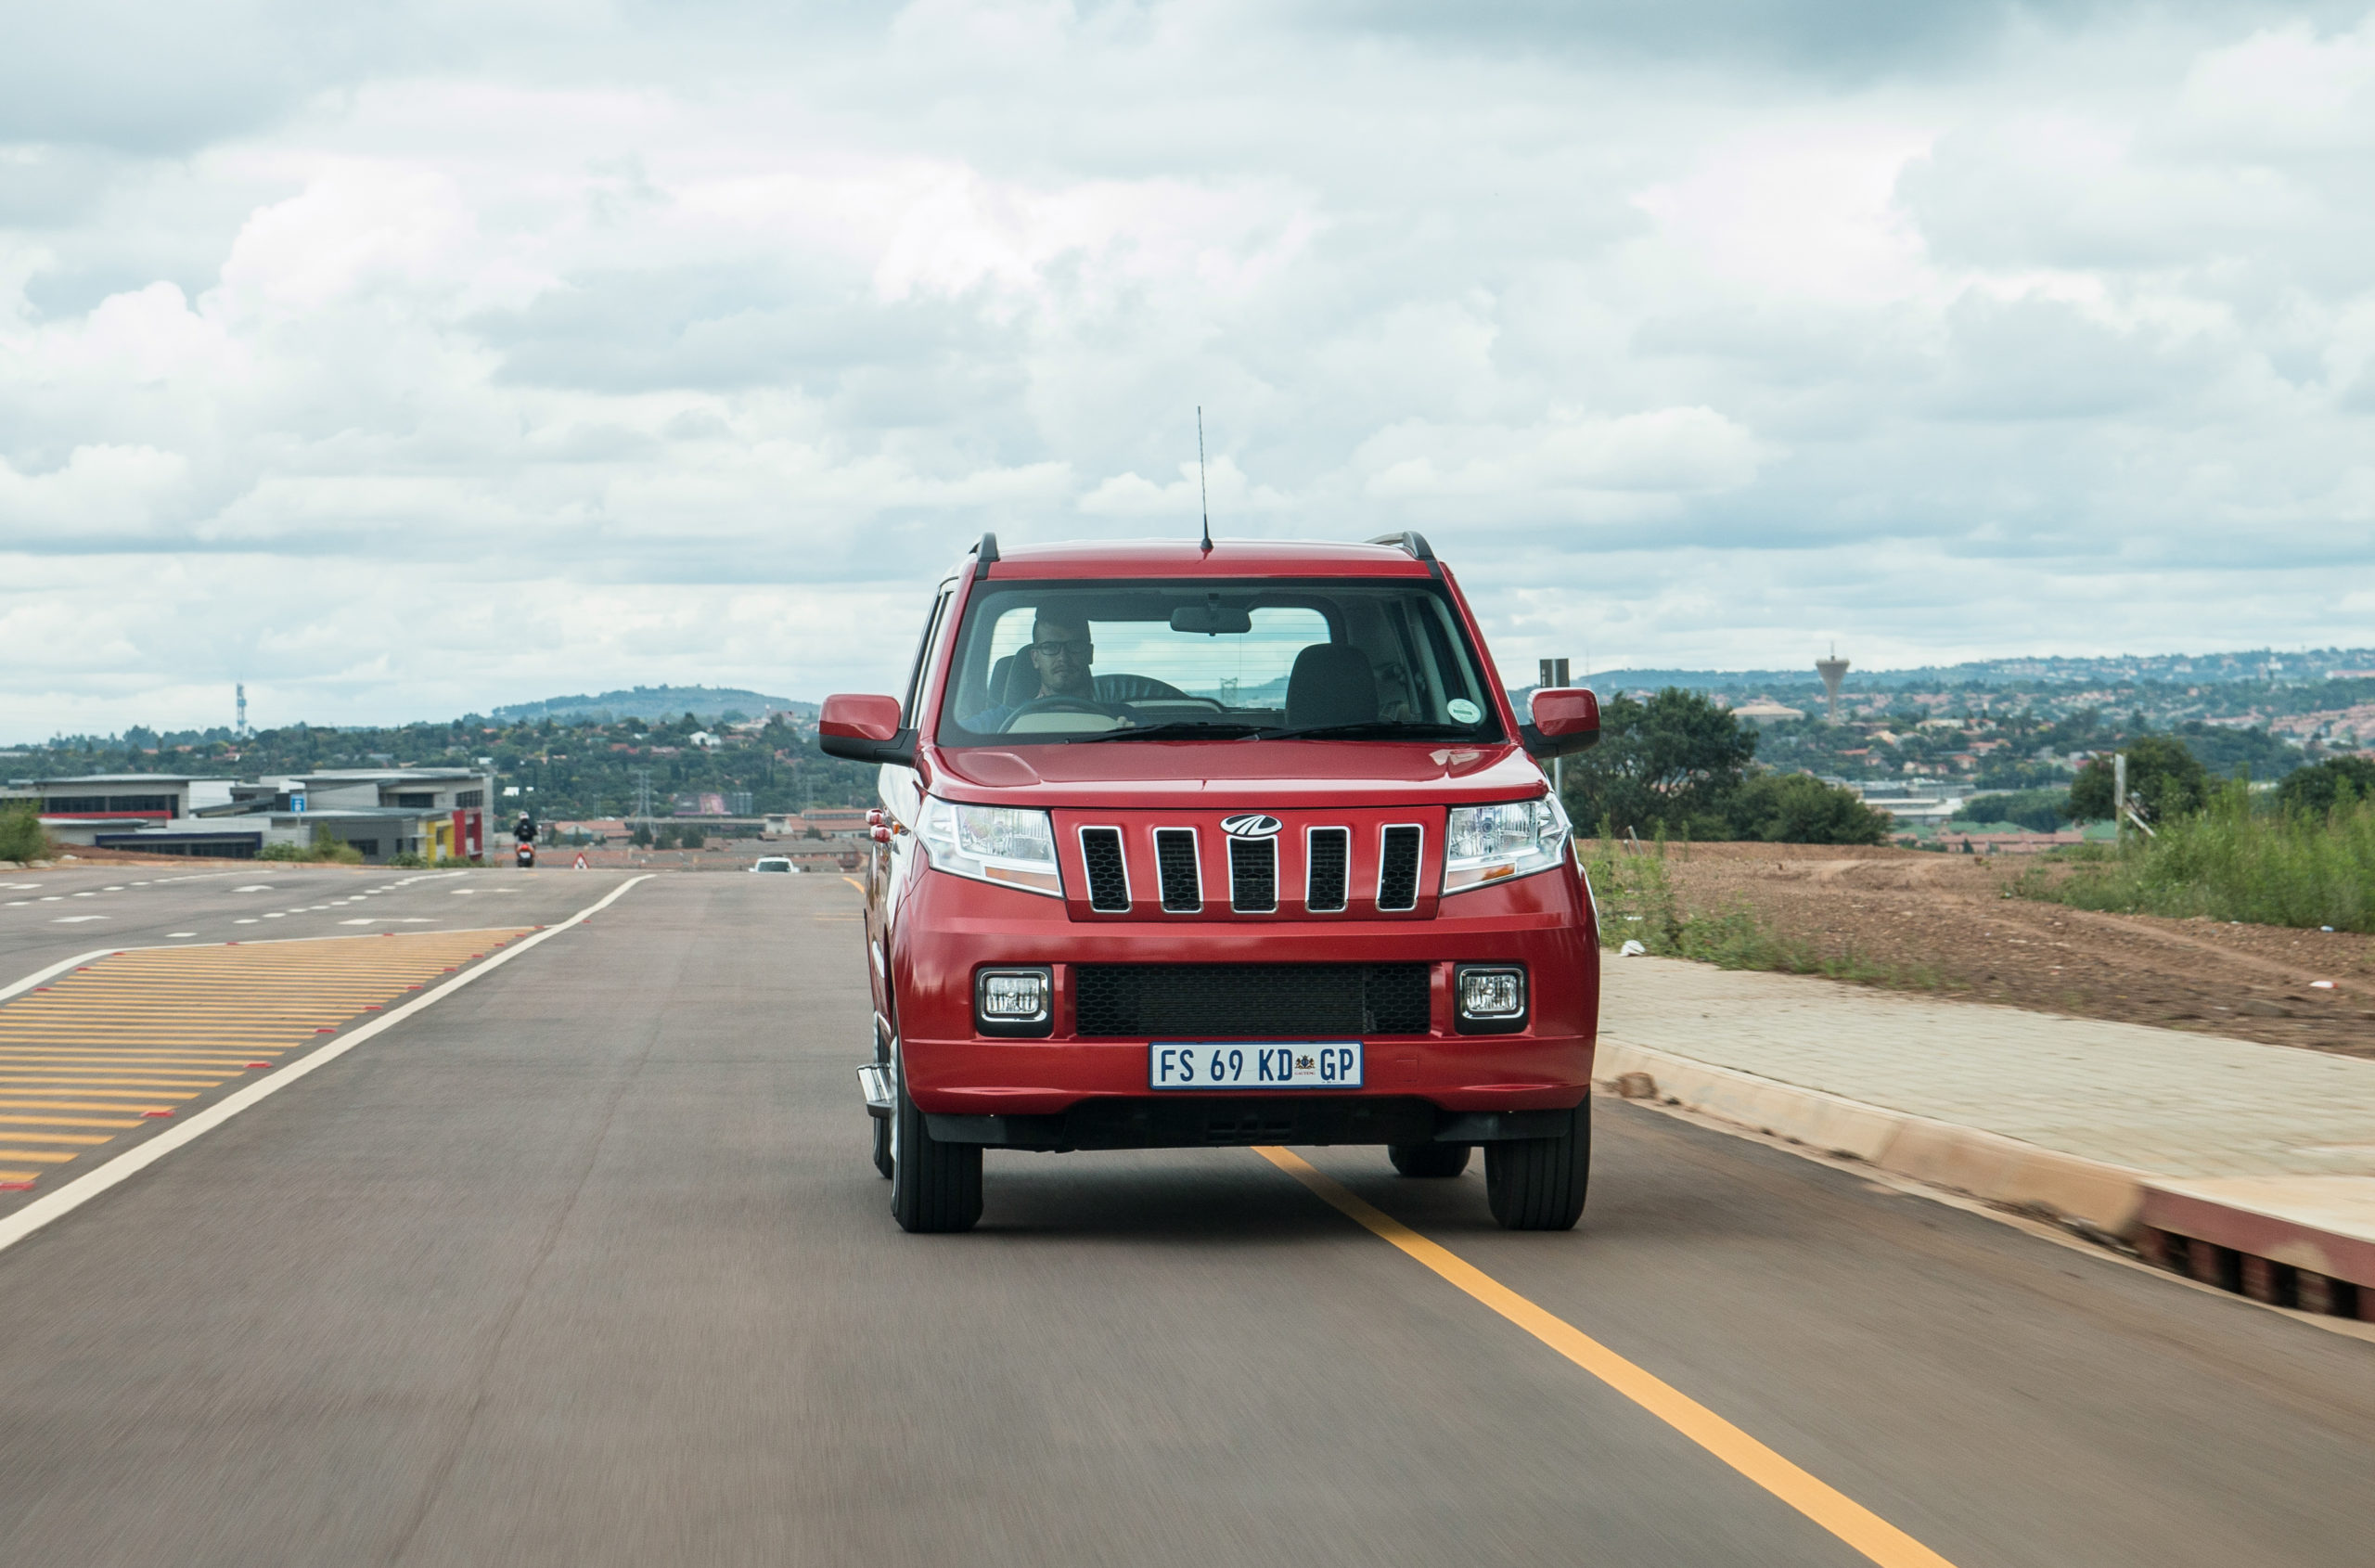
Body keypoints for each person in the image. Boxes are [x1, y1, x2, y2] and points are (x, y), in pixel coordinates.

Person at [966, 610, 1135, 732]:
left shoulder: (1123, 717)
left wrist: (1134, 739)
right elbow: (949, 744)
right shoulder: (1000, 721)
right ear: (1035, 658)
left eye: (1074, 646)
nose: (1063, 658)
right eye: (1050, 647)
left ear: (1089, 654)